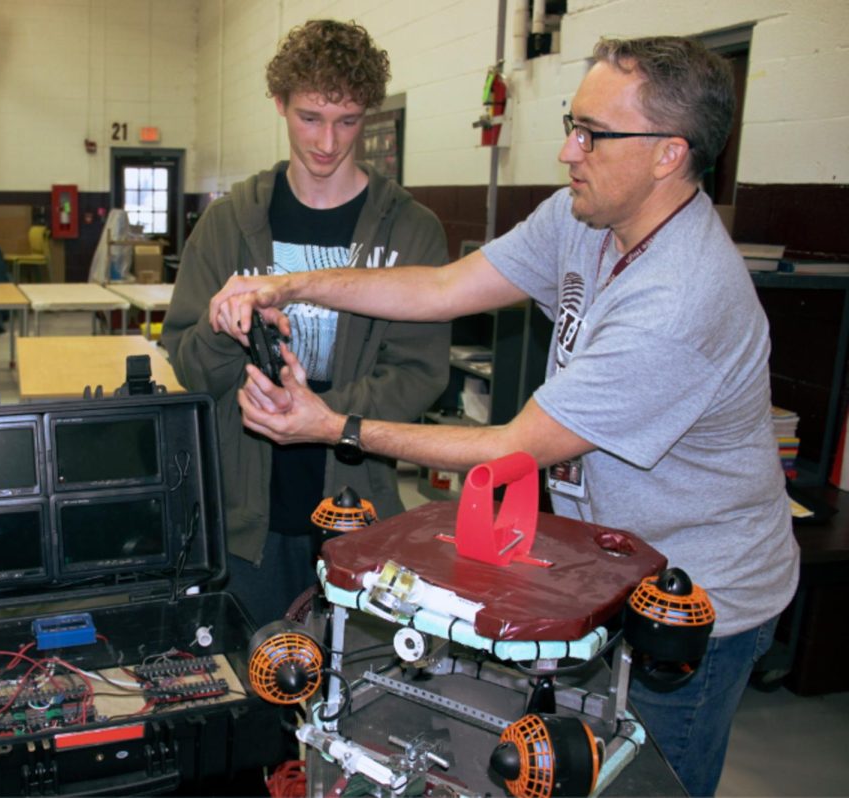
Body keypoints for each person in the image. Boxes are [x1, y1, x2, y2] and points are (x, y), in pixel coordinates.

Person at [207, 36, 799, 797]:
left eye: (592, 133)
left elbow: (512, 448)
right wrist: (284, 288)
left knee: (645, 779)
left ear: (667, 154)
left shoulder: (681, 300)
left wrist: (333, 426)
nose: (566, 150)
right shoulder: (585, 217)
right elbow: (441, 289)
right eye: (570, 122)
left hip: (698, 601)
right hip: (610, 566)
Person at [160, 19, 451, 628]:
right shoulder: (227, 224)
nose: (327, 142)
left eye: (348, 121)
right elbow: (187, 365)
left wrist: (323, 419)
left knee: (350, 696)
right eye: (310, 118)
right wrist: (223, 328)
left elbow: (419, 374)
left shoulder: (410, 230)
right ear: (279, 105)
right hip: (245, 516)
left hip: (357, 506)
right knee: (256, 688)